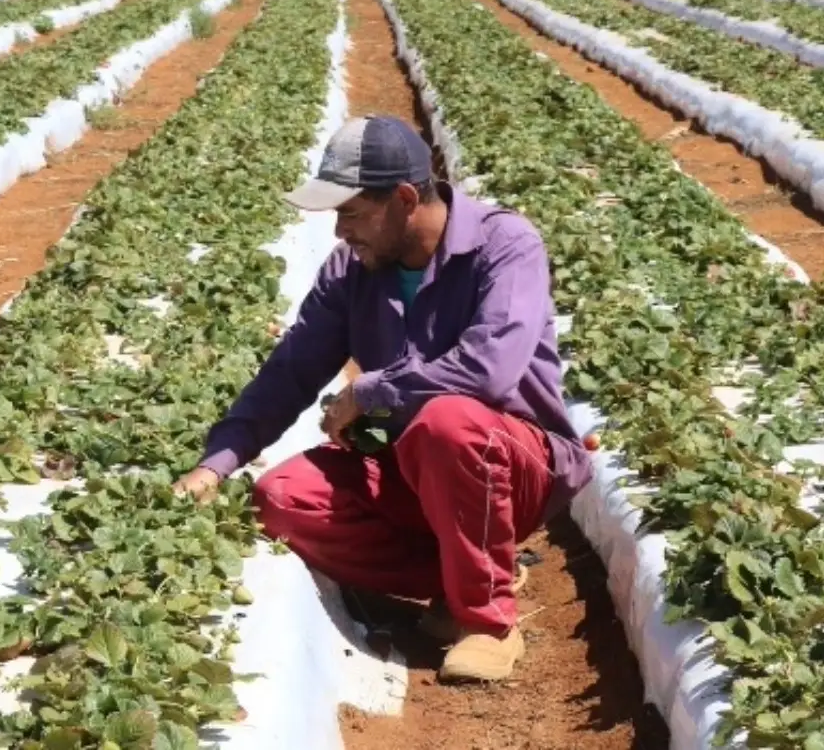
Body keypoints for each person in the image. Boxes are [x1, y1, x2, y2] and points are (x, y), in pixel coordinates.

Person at [173, 115, 592, 683]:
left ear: (402, 200)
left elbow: (489, 371)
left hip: (513, 463)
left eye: (350, 213)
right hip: (407, 466)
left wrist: (372, 389)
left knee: (446, 422)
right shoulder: (351, 270)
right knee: (283, 499)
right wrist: (215, 464)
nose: (341, 232)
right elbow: (290, 373)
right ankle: (461, 574)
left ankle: (488, 622)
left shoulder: (504, 246)